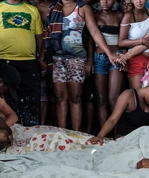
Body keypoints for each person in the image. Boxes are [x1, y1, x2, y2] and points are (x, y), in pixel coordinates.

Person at [43, 0, 120, 130]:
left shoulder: (83, 8)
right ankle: (62, 134)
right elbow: (45, 34)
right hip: (57, 58)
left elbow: (95, 32)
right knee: (59, 96)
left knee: (76, 97)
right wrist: (42, 58)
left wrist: (109, 53)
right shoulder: (52, 8)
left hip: (77, 59)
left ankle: (75, 134)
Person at [0, 0, 44, 127]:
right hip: (3, 62)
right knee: (5, 100)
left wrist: (41, 59)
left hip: (28, 62)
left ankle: (30, 131)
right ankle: (7, 131)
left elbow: (39, 37)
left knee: (30, 100)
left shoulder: (32, 10)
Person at [87, 67, 149, 144]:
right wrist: (100, 136)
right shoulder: (128, 95)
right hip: (124, 139)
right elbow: (113, 119)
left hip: (142, 140)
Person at [92, 0, 124, 132]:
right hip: (98, 58)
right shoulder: (94, 16)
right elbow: (90, 39)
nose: (105, 2)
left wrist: (124, 56)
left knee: (113, 98)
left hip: (116, 58)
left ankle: (116, 133)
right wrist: (89, 60)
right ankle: (104, 134)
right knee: (101, 99)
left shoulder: (120, 16)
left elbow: (125, 37)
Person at [119, 0, 149, 89]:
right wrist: (142, 40)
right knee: (138, 94)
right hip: (136, 60)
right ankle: (126, 56)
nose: (139, 1)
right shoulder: (128, 16)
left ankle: (126, 56)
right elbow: (121, 42)